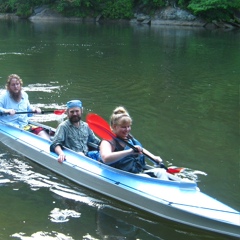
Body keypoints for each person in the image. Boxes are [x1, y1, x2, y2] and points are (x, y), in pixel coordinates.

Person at [99, 106, 169, 180]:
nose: (127, 130)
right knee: (146, 177)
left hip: (135, 172)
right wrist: (129, 152)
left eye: (128, 126)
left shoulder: (128, 137)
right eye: (123, 127)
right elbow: (106, 158)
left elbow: (139, 149)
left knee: (161, 172)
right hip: (120, 175)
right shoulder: (108, 141)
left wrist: (154, 158)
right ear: (114, 126)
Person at [0, 74, 50, 140]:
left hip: (24, 125)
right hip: (9, 126)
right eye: (13, 85)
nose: (16, 86)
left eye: (17, 84)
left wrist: (34, 109)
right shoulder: (4, 96)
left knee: (40, 131)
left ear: (20, 84)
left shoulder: (24, 95)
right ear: (9, 86)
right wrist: (7, 111)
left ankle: (50, 144)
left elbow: (28, 109)